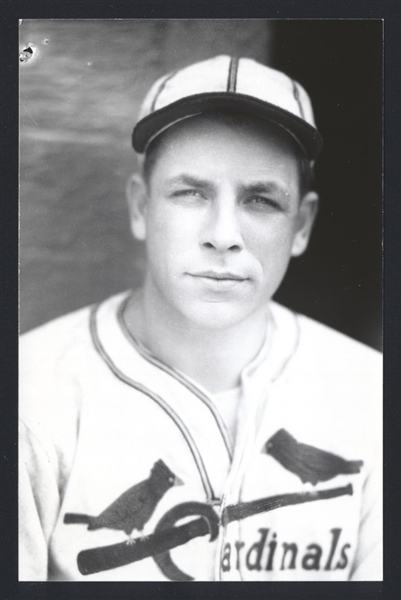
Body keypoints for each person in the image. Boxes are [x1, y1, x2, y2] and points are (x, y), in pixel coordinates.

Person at [19, 55, 382, 581]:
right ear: (141, 207)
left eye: (261, 200)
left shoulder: (372, 393)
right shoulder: (31, 391)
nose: (223, 234)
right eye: (191, 193)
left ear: (301, 225)